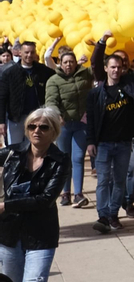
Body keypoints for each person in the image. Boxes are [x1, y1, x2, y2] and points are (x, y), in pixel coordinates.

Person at [0, 106, 68, 282]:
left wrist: (6, 206)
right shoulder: (12, 154)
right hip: (9, 234)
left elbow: (45, 199)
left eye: (43, 127)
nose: (37, 131)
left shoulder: (60, 161)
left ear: (53, 131)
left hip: (41, 235)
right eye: (32, 126)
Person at [86, 44, 134, 234]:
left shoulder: (129, 87)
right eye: (112, 67)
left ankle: (113, 214)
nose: (116, 70)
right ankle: (102, 216)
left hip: (124, 143)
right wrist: (90, 141)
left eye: (119, 67)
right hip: (103, 143)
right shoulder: (96, 93)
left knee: (119, 181)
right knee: (103, 180)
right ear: (106, 68)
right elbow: (91, 119)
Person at [44, 46, 93, 209]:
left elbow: (98, 68)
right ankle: (65, 193)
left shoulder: (85, 74)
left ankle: (78, 194)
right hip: (63, 125)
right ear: (60, 63)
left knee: (78, 158)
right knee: (64, 159)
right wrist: (57, 114)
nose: (68, 65)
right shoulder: (53, 80)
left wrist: (97, 47)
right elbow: (51, 100)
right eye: (65, 62)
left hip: (81, 124)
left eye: (71, 62)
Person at [0, 41, 50, 150]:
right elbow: (2, 98)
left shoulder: (43, 71)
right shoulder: (9, 73)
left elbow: (57, 75)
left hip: (37, 117)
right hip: (16, 118)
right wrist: (1, 122)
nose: (29, 55)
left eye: (32, 52)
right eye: (26, 52)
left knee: (34, 148)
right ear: (20, 53)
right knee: (14, 150)